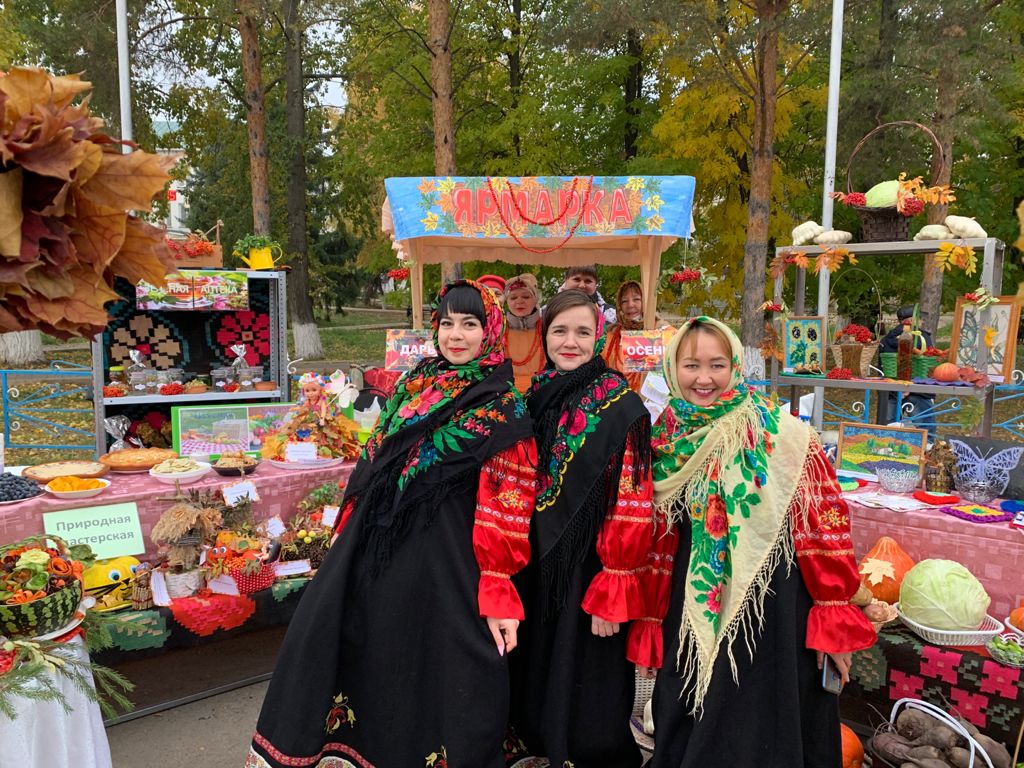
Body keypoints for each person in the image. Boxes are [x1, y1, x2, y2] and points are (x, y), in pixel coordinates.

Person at [247, 281, 538, 768]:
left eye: (470, 324)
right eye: (447, 323)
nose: (456, 335)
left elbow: (508, 500)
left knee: (445, 668)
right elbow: (374, 458)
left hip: (449, 564)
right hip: (380, 550)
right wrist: (348, 528)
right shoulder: (415, 384)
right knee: (370, 656)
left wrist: (498, 585)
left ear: (490, 331)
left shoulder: (503, 406)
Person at [647, 317, 876, 768]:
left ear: (735, 366)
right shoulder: (666, 434)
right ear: (673, 369)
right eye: (691, 365)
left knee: (758, 715)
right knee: (689, 701)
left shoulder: (782, 433)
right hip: (692, 597)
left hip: (770, 604)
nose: (704, 378)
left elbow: (824, 522)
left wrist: (833, 610)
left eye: (717, 365)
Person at [507, 289, 673, 768]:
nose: (570, 342)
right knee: (537, 660)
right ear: (545, 335)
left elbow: (633, 498)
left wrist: (615, 579)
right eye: (560, 331)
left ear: (598, 336)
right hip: (537, 560)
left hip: (590, 566)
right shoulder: (534, 396)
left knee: (580, 668)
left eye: (582, 332)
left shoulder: (622, 406)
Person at [260, 372, 361, 461]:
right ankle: (301, 449)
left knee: (325, 434)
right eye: (307, 391)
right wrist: (295, 409)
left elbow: (323, 411)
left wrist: (322, 419)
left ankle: (321, 450)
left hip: (322, 420)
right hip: (310, 419)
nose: (311, 393)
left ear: (320, 390)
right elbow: (304, 407)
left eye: (314, 390)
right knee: (297, 428)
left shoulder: (322, 401)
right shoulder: (308, 401)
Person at [602, 279, 675, 394]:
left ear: (646, 301)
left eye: (636, 299)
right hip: (620, 398)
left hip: (653, 399)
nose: (630, 305)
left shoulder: (663, 331)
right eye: (624, 301)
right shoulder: (612, 335)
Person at [880, 305, 936, 436]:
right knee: (926, 432)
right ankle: (927, 447)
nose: (922, 322)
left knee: (888, 432)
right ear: (911, 320)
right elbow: (924, 362)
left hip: (891, 389)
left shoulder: (886, 339)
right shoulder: (921, 337)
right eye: (920, 318)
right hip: (917, 389)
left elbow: (884, 365)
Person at [503, 273, 545, 393]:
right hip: (507, 392)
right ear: (507, 301)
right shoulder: (499, 330)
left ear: (535, 299)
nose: (519, 301)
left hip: (540, 389)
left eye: (526, 297)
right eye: (513, 298)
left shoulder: (547, 327)